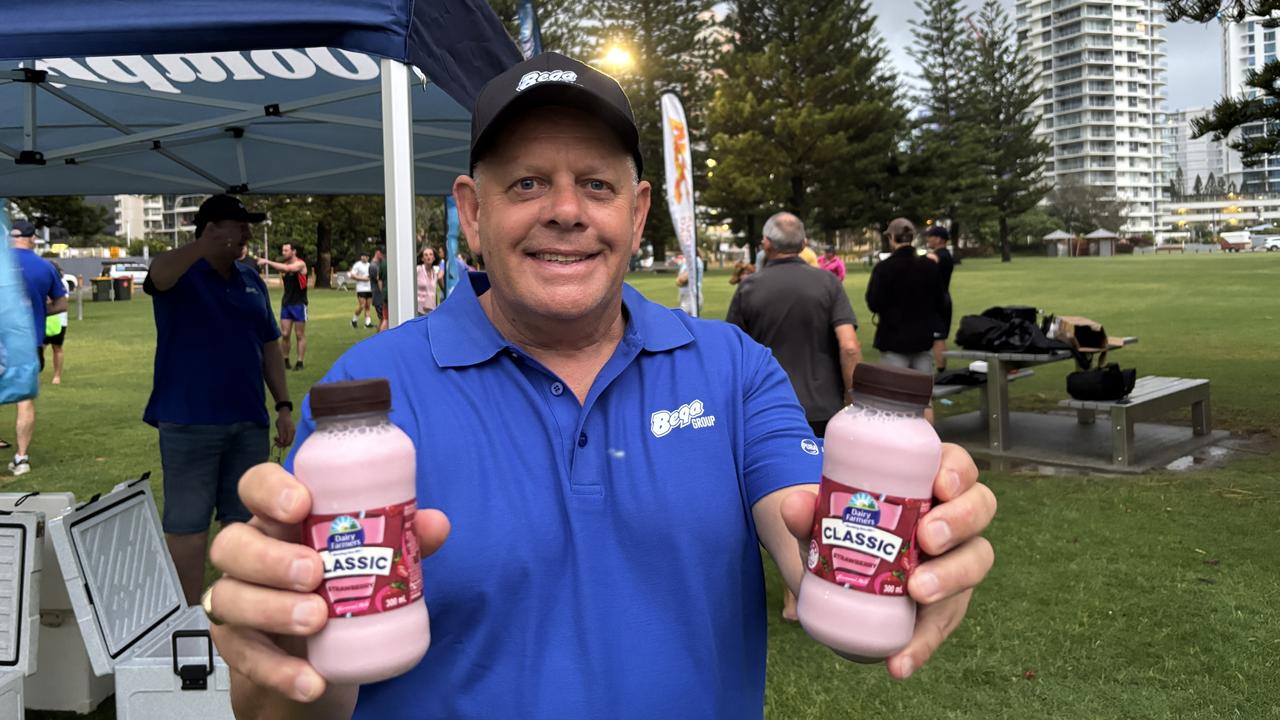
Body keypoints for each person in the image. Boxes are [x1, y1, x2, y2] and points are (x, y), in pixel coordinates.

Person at [205, 52, 995, 719]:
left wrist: (915, 566)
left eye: (596, 184)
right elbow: (305, 683)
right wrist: (277, 650)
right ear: (471, 214)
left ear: (639, 210)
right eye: (525, 186)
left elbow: (819, 556)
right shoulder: (369, 397)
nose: (564, 212)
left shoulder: (732, 370)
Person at [142, 194, 295, 606]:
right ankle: (186, 616)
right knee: (187, 525)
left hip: (248, 420)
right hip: (189, 420)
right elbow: (156, 275)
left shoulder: (250, 279)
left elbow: (268, 345)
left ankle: (239, 609)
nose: (246, 231)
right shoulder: (181, 274)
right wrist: (200, 249)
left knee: (243, 521)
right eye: (238, 224)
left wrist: (283, 405)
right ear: (210, 230)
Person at [726, 211, 863, 622]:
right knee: (824, 498)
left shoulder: (750, 287)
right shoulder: (827, 283)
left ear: (767, 245)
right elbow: (850, 345)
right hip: (824, 406)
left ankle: (795, 595)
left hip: (765, 412)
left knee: (787, 499)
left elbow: (731, 354)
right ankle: (839, 579)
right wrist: (853, 395)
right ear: (801, 243)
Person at [866, 218, 945, 421]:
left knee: (894, 401)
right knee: (924, 400)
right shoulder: (929, 266)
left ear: (892, 238)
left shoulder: (884, 269)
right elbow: (940, 300)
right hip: (922, 339)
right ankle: (929, 446)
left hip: (894, 339)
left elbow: (874, 303)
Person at [6, 221, 67, 476]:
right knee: (24, 401)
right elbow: (61, 303)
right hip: (27, 343)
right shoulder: (45, 266)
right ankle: (21, 458)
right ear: (32, 239)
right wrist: (40, 311)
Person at [258, 243, 309, 371]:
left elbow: (288, 269)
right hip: (286, 303)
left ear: (294, 251)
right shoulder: (285, 265)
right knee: (285, 334)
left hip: (299, 303)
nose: (284, 252)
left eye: (286, 250)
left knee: (299, 334)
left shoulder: (300, 264)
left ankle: (300, 362)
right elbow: (283, 267)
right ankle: (285, 360)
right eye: (283, 250)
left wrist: (267, 261)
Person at [925, 226, 956, 373]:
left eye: (930, 236)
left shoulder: (940, 255)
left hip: (936, 301)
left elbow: (931, 261)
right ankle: (935, 369)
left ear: (938, 239)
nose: (928, 239)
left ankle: (941, 372)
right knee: (935, 336)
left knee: (938, 338)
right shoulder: (946, 255)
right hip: (942, 299)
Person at [44, 261, 72, 385]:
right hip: (45, 319)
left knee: (57, 348)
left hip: (59, 320)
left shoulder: (61, 283)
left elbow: (63, 301)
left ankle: (57, 376)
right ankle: (35, 376)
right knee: (39, 349)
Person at [676, 250, 704, 315]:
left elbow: (682, 279)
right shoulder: (688, 261)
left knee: (683, 319)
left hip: (690, 297)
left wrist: (678, 280)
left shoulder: (695, 261)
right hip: (686, 296)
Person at [349, 253, 373, 328]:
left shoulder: (370, 265)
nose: (363, 257)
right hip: (361, 289)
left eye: (365, 256)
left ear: (368, 257)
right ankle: (354, 320)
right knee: (362, 305)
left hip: (369, 288)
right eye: (362, 256)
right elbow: (352, 275)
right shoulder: (357, 265)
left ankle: (367, 323)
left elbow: (372, 275)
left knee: (368, 306)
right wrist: (363, 279)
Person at [416, 246, 441, 315]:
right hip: (419, 311)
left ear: (434, 258)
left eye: (430, 254)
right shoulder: (418, 269)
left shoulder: (435, 272)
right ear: (422, 258)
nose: (428, 257)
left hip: (431, 311)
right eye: (426, 255)